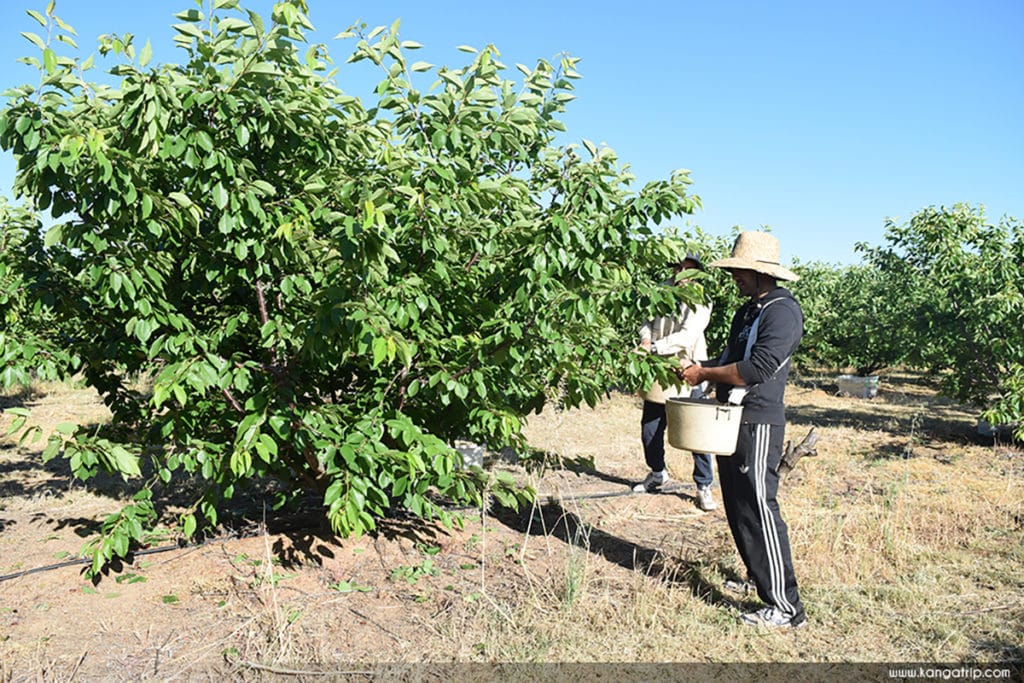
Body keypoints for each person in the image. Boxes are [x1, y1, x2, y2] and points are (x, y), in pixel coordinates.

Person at [680, 232, 807, 628]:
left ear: (760, 273)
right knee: (738, 507)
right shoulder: (748, 311)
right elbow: (729, 359)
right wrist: (700, 369)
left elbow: (756, 368)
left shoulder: (782, 312)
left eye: (739, 271)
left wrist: (704, 371)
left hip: (759, 418)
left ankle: (786, 608)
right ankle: (758, 578)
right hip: (731, 418)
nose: (734, 276)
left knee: (760, 507)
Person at [634, 254, 719, 512]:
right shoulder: (662, 289)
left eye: (688, 269)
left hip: (687, 368)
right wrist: (646, 340)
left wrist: (656, 347)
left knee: (696, 433)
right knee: (650, 428)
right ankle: (658, 473)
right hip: (659, 369)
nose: (681, 272)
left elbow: (688, 334)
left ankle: (704, 486)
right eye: (678, 267)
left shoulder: (700, 299)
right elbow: (646, 321)